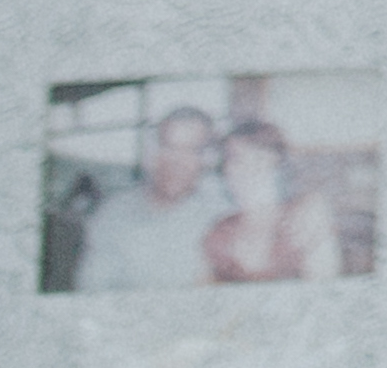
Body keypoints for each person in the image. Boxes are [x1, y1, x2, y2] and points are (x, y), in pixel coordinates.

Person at [68, 100, 217, 290]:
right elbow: (91, 288)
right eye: (168, 147)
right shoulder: (113, 213)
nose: (177, 162)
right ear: (151, 153)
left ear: (205, 160)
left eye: (191, 151)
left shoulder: (220, 218)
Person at [197, 118, 336, 282]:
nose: (247, 170)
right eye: (236, 158)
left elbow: (326, 289)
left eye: (258, 159)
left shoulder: (305, 216)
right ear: (224, 170)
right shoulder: (220, 231)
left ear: (279, 166)